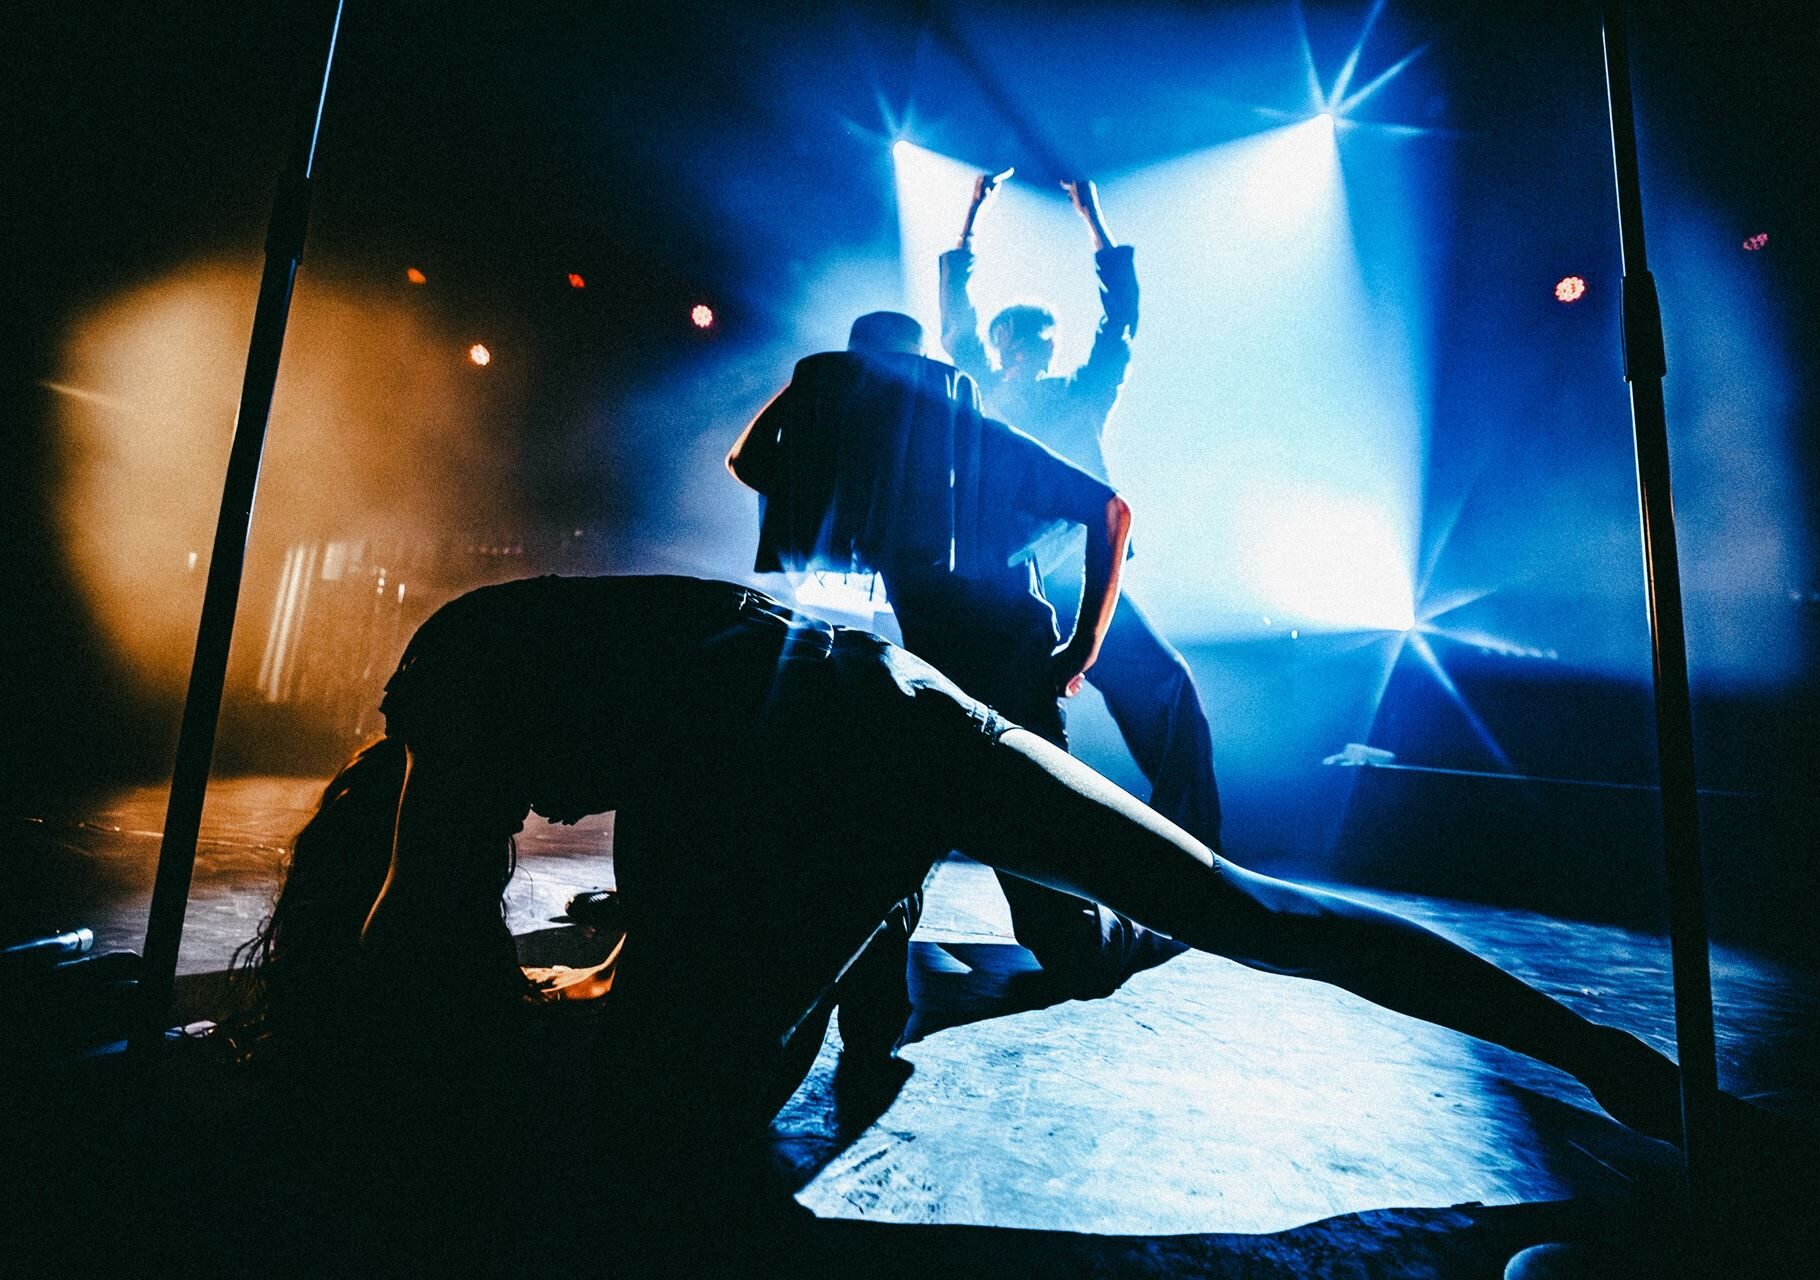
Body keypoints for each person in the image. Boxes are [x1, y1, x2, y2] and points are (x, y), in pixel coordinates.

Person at [248, 573, 1694, 1162]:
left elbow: (419, 917)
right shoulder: (522, 663)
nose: (540, 820)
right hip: (902, 702)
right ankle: (1608, 1055)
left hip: (803, 730)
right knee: (1253, 913)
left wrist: (352, 1096)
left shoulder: (449, 697)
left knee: (671, 1102)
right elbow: (675, 817)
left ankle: (876, 928)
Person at [728, 310, 1174, 1002]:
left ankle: (1154, 928)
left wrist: (1083, 647)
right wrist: (810, 385)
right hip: (926, 683)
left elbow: (1111, 512)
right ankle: (872, 999)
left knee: (1065, 940)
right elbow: (748, 464)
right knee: (877, 853)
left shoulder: (978, 444)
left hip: (1009, 684)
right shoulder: (855, 460)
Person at [940, 172, 1224, 855]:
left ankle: (1192, 848)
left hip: (1084, 574)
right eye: (1016, 337)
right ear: (1001, 345)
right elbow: (957, 323)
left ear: (1049, 345)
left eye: (1038, 337)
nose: (1027, 346)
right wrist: (970, 217)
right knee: (1008, 723)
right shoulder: (982, 392)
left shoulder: (1080, 390)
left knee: (1167, 688)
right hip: (1013, 582)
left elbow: (1120, 320)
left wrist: (1093, 218)